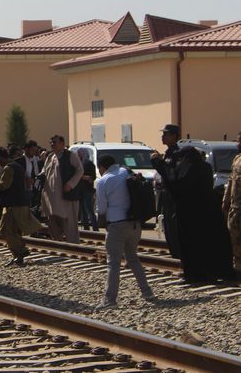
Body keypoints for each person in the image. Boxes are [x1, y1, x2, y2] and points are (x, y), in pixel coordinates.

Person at [153, 130, 235, 282]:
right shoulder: (205, 168)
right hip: (209, 213)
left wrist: (158, 163)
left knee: (192, 245)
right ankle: (215, 271)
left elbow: (174, 183)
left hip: (189, 214)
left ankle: (196, 274)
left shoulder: (186, 171)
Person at [94, 155, 154, 309]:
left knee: (113, 263)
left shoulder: (103, 181)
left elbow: (101, 209)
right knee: (133, 258)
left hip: (116, 225)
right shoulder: (127, 172)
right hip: (135, 224)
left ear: (102, 167)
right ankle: (147, 292)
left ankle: (110, 300)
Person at [0, 147, 42, 266]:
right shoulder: (18, 167)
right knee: (15, 231)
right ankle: (18, 256)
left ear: (1, 158)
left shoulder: (9, 168)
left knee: (5, 230)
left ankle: (21, 251)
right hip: (20, 203)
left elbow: (4, 185)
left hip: (12, 205)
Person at [40, 135, 84, 243]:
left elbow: (80, 171)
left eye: (54, 142)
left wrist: (70, 184)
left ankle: (73, 245)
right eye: (51, 142)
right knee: (52, 221)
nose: (52, 144)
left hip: (66, 196)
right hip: (51, 197)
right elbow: (44, 171)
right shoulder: (50, 157)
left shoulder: (70, 155)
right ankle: (59, 244)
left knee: (69, 222)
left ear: (62, 144)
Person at [151, 124, 182, 258]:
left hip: (172, 196)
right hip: (165, 194)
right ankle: (174, 252)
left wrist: (157, 162)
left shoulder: (176, 154)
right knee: (167, 225)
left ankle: (177, 253)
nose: (163, 137)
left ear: (174, 136)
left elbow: (170, 174)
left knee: (172, 226)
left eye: (166, 134)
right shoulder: (169, 153)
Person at [222, 131, 241, 273]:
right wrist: (225, 200)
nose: (238, 144)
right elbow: (230, 180)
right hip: (235, 208)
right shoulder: (237, 159)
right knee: (234, 238)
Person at [78, 157, 99, 231]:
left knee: (89, 209)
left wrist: (81, 176)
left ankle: (95, 228)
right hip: (81, 189)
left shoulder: (89, 164)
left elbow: (92, 178)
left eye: (80, 154)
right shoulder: (81, 163)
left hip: (88, 190)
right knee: (83, 210)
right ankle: (86, 228)